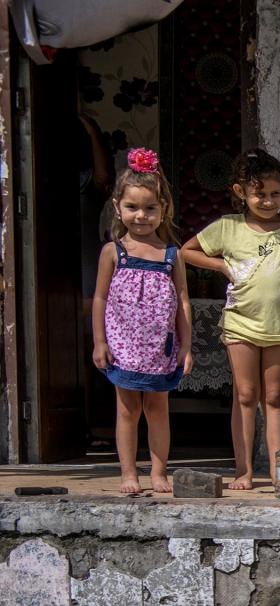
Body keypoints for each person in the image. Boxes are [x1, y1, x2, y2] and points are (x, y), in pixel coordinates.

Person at [181, 149, 280, 490]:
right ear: (241, 193)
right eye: (259, 194)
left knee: (273, 396)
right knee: (245, 395)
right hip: (241, 324)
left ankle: (277, 471)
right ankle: (244, 471)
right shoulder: (228, 227)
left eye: (275, 194)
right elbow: (187, 250)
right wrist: (222, 265)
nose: (268, 202)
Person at [91, 148, 192, 496]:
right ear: (118, 207)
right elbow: (101, 299)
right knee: (127, 409)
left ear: (163, 209)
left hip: (159, 347)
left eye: (150, 208)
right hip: (124, 346)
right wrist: (100, 342)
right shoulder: (113, 252)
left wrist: (186, 347)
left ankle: (159, 471)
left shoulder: (171, 254)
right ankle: (128, 473)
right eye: (133, 207)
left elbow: (182, 302)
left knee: (157, 408)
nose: (141, 216)